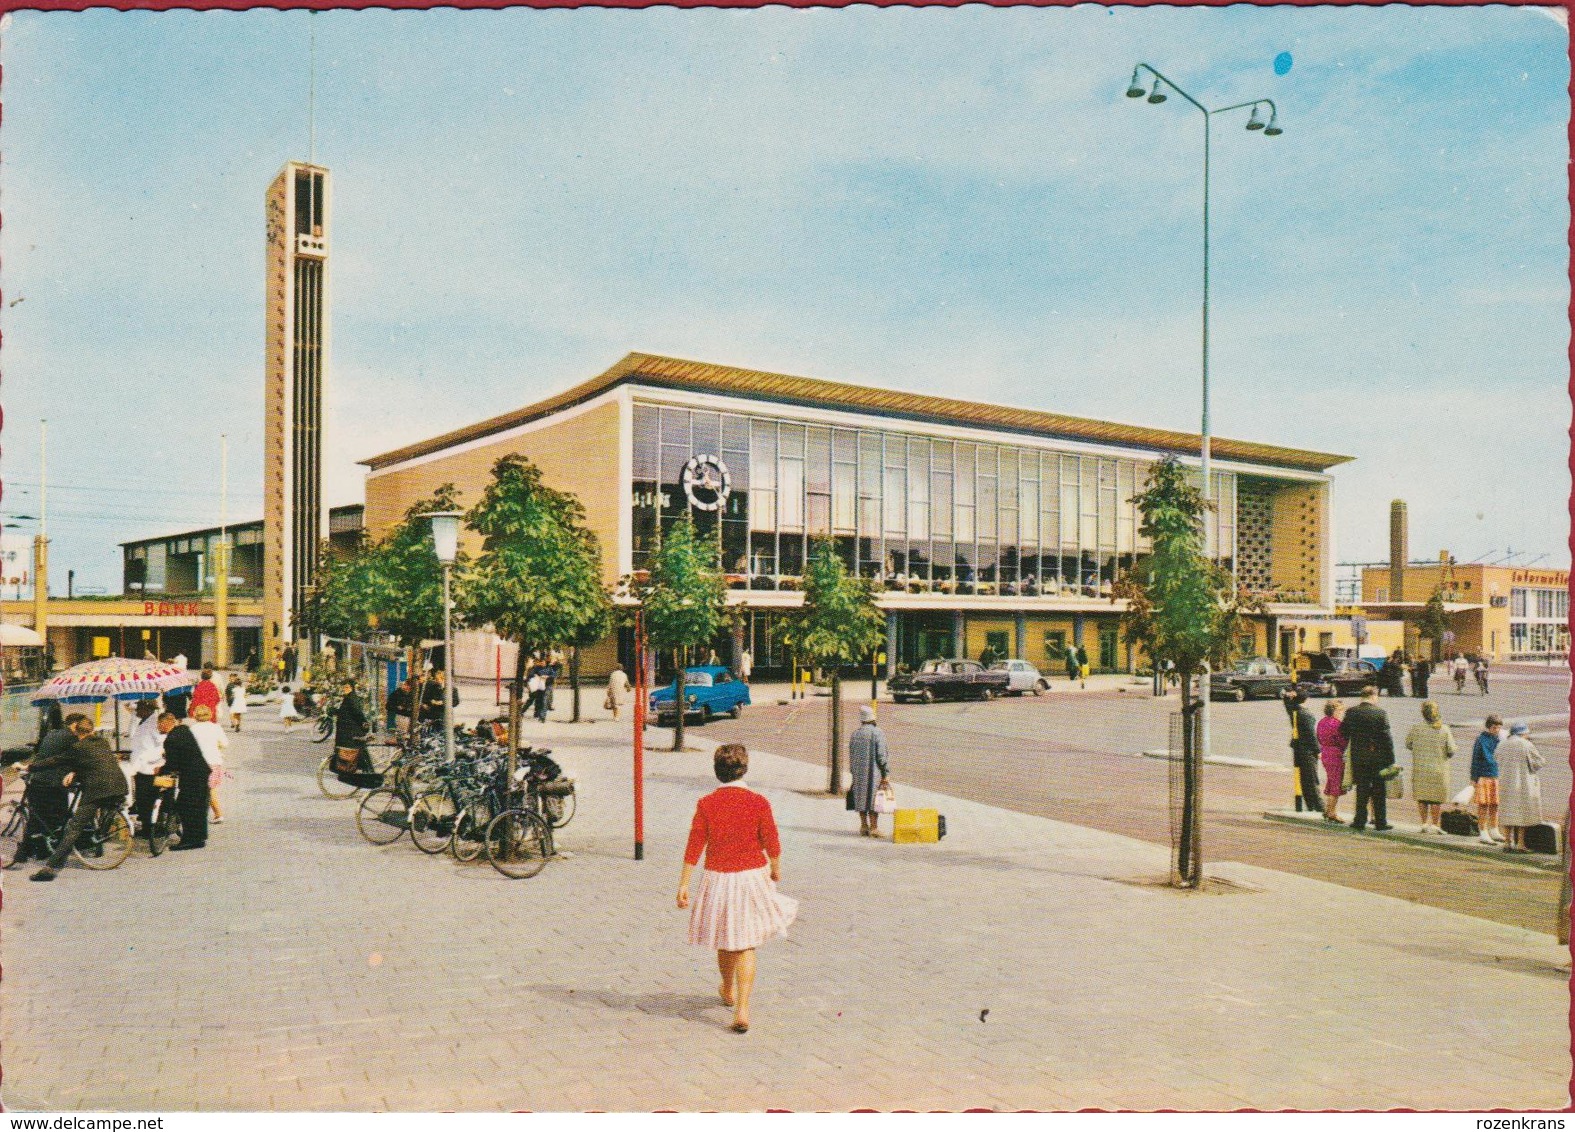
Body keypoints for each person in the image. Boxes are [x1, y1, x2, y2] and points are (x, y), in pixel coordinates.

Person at [676, 744, 797, 1034]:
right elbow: (772, 840)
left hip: (718, 877)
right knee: (746, 943)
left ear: (717, 772)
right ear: (745, 769)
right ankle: (742, 1008)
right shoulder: (759, 802)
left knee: (725, 938)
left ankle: (727, 988)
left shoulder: (706, 803)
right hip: (752, 877)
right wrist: (776, 868)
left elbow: (695, 844)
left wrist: (683, 884)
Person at [28, 713, 129, 881]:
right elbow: (92, 762)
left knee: (73, 828)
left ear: (76, 732)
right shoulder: (103, 743)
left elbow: (56, 760)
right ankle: (96, 838)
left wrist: (30, 767)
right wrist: (75, 771)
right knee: (91, 813)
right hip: (119, 787)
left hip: (98, 791)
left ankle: (50, 868)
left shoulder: (78, 748)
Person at [11, 706, 74, 867]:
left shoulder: (51, 735)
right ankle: (27, 851)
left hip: (40, 780)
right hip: (54, 783)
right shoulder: (71, 737)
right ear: (73, 725)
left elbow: (42, 756)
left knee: (37, 817)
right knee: (52, 815)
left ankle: (36, 850)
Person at [1342, 686, 1395, 833]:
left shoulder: (1352, 712)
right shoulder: (1380, 713)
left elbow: (1343, 731)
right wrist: (1391, 759)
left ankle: (1359, 820)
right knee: (1379, 790)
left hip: (1359, 756)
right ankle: (1380, 822)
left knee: (1362, 789)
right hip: (1378, 758)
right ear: (1373, 695)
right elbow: (1387, 739)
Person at [157, 712, 210, 851]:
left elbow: (172, 764)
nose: (158, 727)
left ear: (165, 723)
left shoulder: (171, 739)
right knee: (199, 806)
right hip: (201, 772)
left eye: (159, 724)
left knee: (185, 806)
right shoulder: (184, 730)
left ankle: (190, 839)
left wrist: (160, 771)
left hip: (192, 776)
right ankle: (200, 837)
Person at [1406, 700, 1456, 834]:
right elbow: (1451, 750)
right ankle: (1435, 824)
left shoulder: (1416, 728)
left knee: (1422, 797)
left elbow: (1408, 744)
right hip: (1439, 769)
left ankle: (1423, 823)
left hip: (1421, 768)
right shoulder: (1444, 729)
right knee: (1436, 799)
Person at [1496, 721, 1543, 854]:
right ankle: (1520, 844)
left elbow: (1496, 758)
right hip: (1523, 784)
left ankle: (1507, 842)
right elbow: (1538, 762)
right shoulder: (1526, 744)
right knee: (1522, 813)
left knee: (1507, 812)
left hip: (1506, 782)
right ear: (1523, 733)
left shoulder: (1502, 744)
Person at [126, 698, 167, 845]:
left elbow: (162, 744)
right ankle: (146, 825)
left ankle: (150, 827)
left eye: (139, 708)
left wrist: (149, 758)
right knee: (142, 799)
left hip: (149, 767)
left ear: (147, 709)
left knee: (148, 798)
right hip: (140, 767)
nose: (136, 711)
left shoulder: (154, 723)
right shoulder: (143, 721)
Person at [848, 704, 891, 838]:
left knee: (860, 797)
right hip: (874, 772)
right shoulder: (877, 733)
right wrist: (886, 772)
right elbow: (881, 756)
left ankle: (863, 826)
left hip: (858, 772)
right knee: (874, 798)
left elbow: (851, 754)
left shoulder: (855, 734)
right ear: (873, 719)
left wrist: (853, 771)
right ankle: (874, 828)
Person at [1283, 691, 1323, 816]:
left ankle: (1310, 803)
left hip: (1298, 748)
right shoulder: (1306, 714)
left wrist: (1287, 697)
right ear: (1306, 699)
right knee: (1311, 778)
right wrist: (1318, 750)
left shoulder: (1294, 711)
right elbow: (1311, 734)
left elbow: (1287, 704)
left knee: (1304, 778)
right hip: (1308, 749)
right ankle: (1318, 804)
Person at [188, 704, 228, 824]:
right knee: (211, 789)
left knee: (199, 789)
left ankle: (216, 814)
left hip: (198, 762)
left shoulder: (193, 729)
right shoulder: (216, 727)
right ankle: (216, 814)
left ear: (195, 715)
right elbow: (225, 743)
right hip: (214, 761)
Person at [1470, 714, 1504, 845]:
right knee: (1483, 805)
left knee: (1495, 804)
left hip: (1496, 775)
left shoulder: (1499, 739)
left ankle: (1494, 829)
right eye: (1494, 727)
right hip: (1483, 775)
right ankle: (1483, 831)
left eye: (1499, 728)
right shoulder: (1481, 740)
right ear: (1488, 727)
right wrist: (1473, 778)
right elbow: (1475, 760)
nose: (1497, 730)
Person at [1316, 699, 1349, 823]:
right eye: (1340, 710)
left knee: (1331, 781)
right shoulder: (1337, 724)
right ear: (1335, 710)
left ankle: (1328, 810)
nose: (1342, 713)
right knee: (1336, 784)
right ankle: (1331, 813)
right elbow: (1343, 741)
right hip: (1336, 755)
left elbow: (1318, 737)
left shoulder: (1321, 722)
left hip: (1325, 753)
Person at [334, 679, 373, 773]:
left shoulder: (351, 698)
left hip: (350, 730)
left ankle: (361, 769)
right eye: (343, 687)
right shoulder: (349, 697)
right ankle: (366, 769)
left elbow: (357, 713)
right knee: (358, 749)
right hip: (348, 729)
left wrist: (364, 724)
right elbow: (347, 712)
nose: (344, 689)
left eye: (347, 687)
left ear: (352, 688)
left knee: (352, 750)